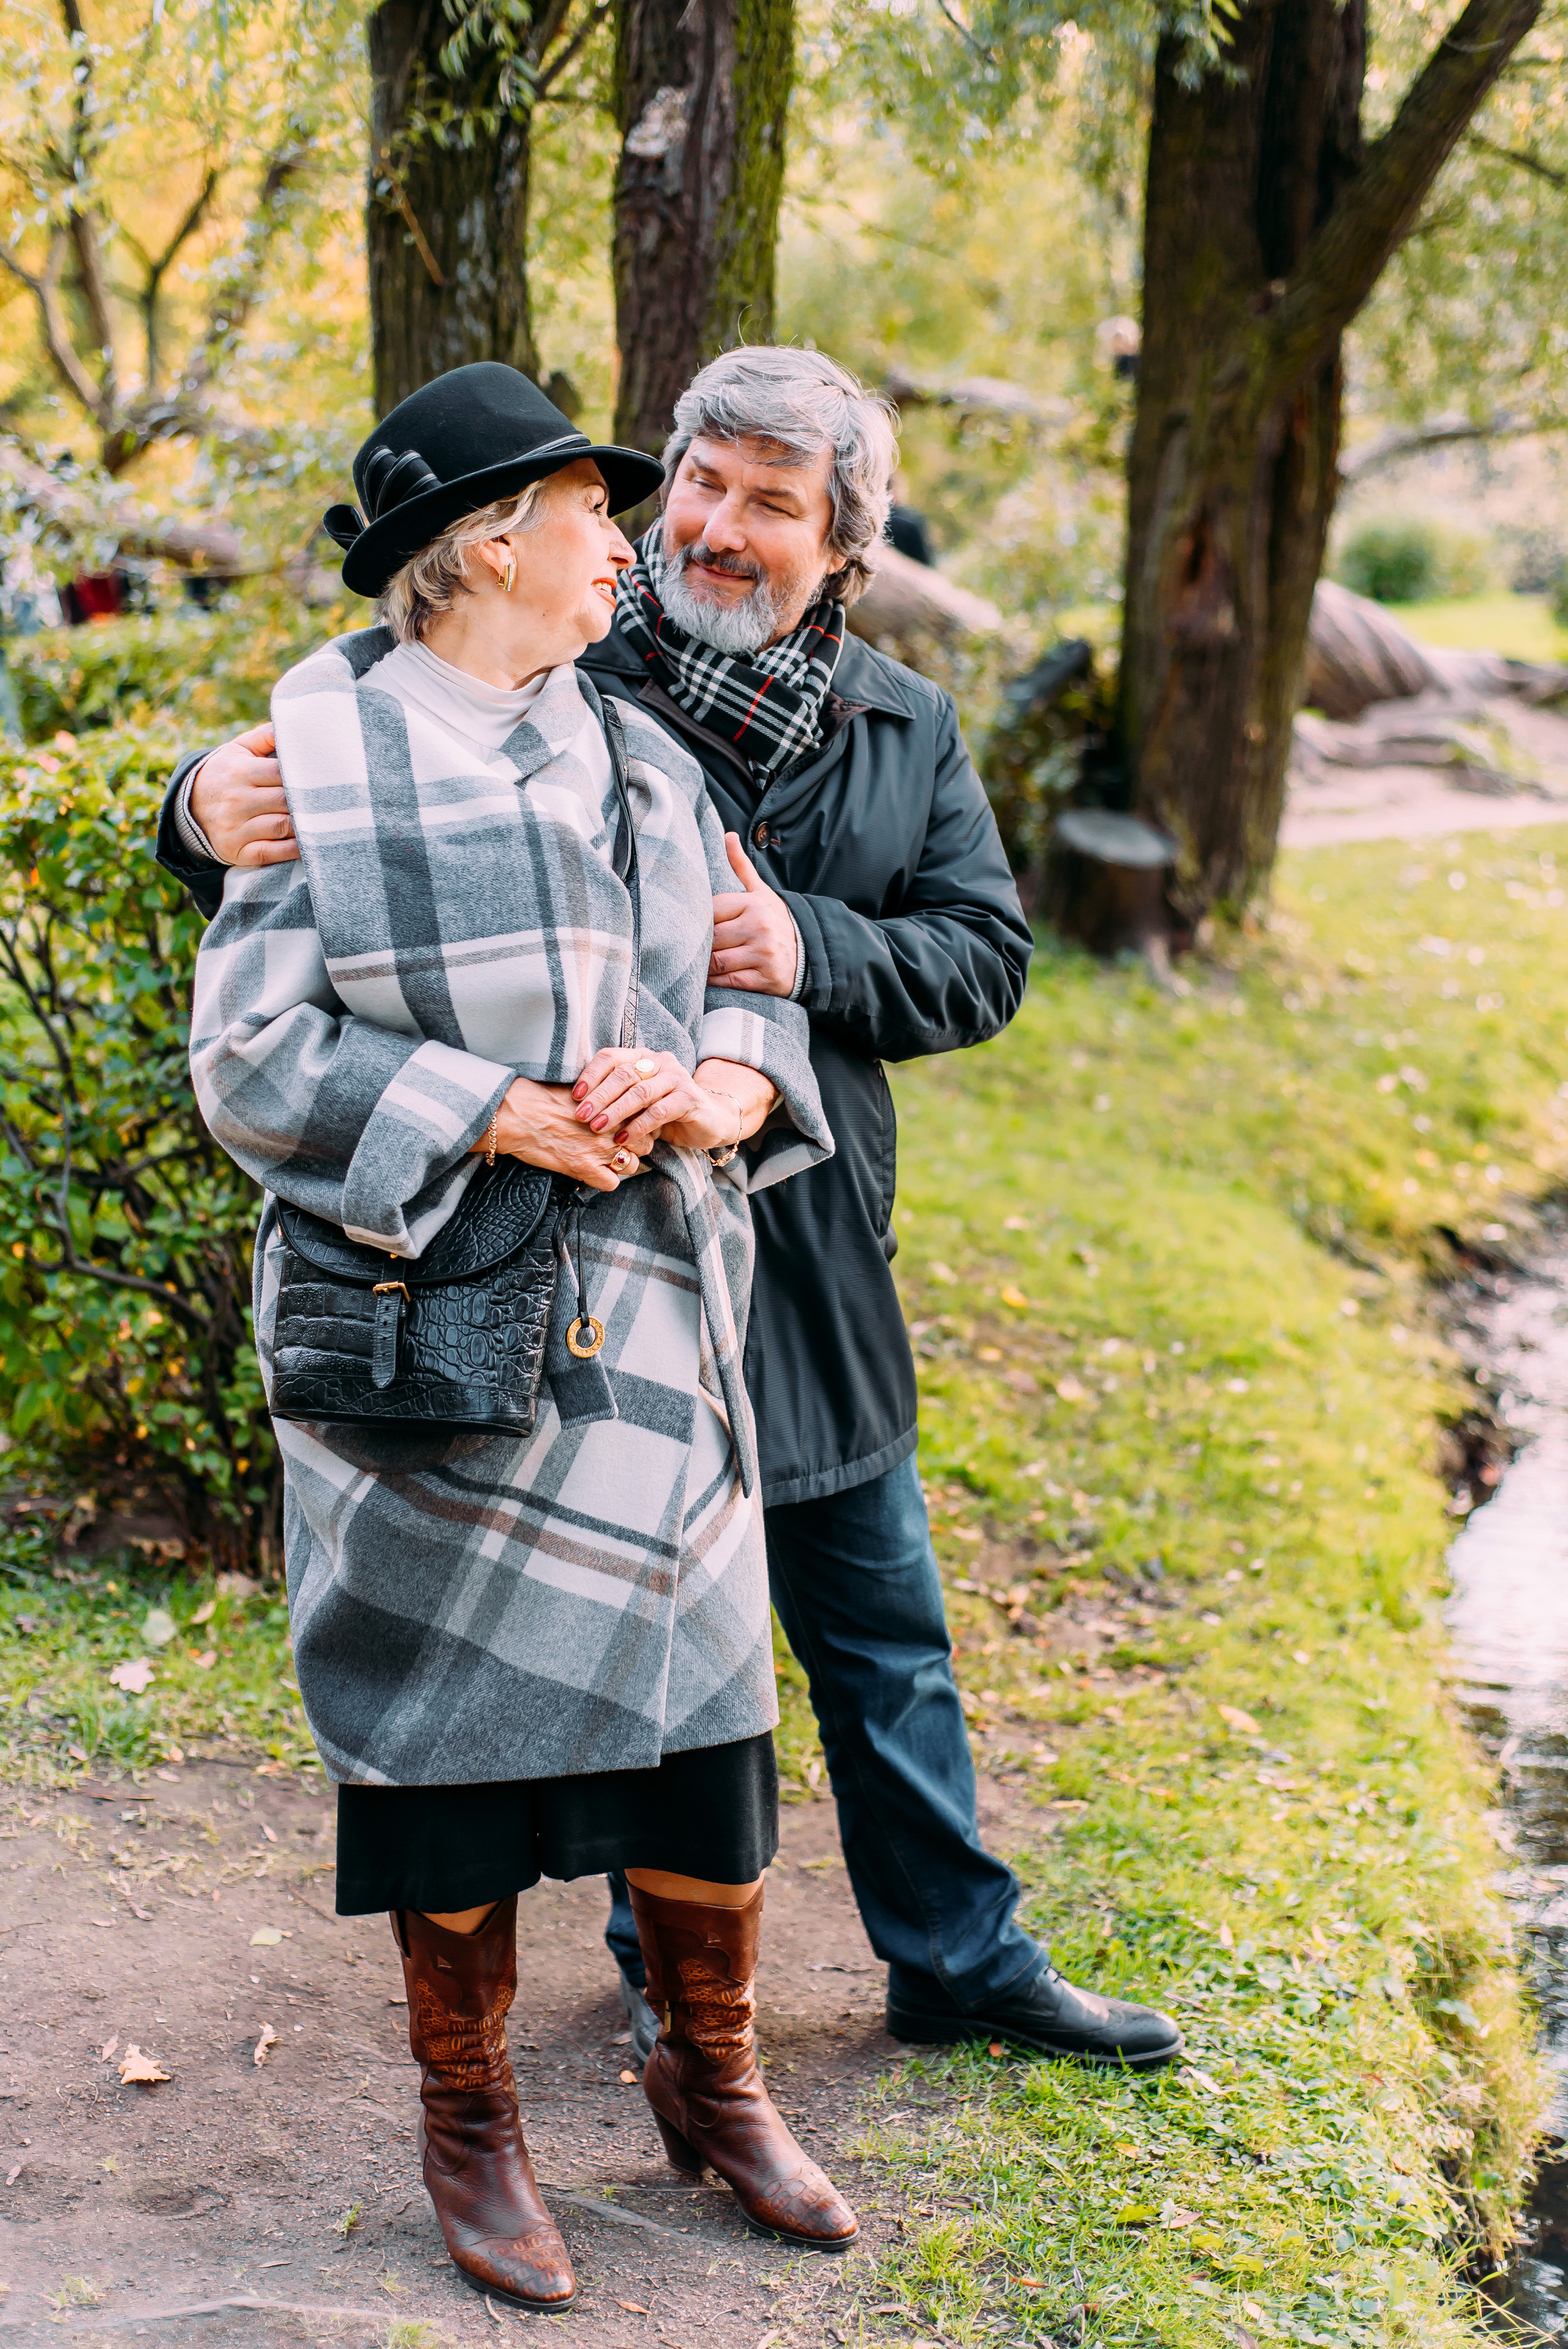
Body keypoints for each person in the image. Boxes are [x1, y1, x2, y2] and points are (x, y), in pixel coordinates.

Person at [160, 347, 1181, 2072]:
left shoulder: (905, 728)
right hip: (578, 1241)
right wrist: (191, 805)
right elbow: (322, 804)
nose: (709, 526)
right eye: (698, 482)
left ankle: (957, 1952)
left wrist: (809, 953)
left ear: (837, 546)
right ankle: (671, 1969)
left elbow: (987, 957)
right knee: (636, 1594)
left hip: (803, 1219)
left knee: (879, 1616)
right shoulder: (571, 642)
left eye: (770, 504)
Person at [187, 361, 859, 2312]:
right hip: (432, 1338)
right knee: (447, 1755)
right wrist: (488, 1109)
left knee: (715, 1736)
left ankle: (712, 2081)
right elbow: (246, 1057)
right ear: (492, 537)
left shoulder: (640, 755)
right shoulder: (318, 762)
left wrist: (721, 1089)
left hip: (655, 1330)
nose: (626, 540)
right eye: (592, 507)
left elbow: (745, 984)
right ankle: (470, 2122)